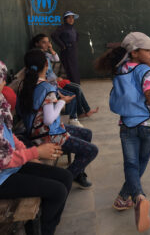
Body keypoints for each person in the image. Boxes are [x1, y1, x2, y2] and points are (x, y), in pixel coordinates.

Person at [95, 32, 150, 232]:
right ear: (135, 52)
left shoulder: (120, 68)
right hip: (148, 125)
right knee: (140, 164)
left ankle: (130, 197)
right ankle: (137, 197)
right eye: (147, 50)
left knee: (131, 165)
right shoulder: (146, 72)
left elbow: (143, 66)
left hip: (127, 124)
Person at [0, 60, 72, 235]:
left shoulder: (1, 102)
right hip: (3, 176)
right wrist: (35, 152)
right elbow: (3, 160)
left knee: (66, 177)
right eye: (2, 80)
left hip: (12, 166)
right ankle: (43, 230)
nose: (3, 85)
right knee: (57, 191)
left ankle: (42, 227)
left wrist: (27, 152)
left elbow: (9, 134)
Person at [18, 49, 98, 189]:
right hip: (47, 135)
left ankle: (78, 173)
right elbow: (49, 119)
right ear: (46, 65)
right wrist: (62, 102)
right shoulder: (47, 88)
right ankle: (64, 179)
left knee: (87, 133)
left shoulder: (25, 85)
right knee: (92, 150)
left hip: (35, 131)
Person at [31, 34, 99, 125]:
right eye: (44, 42)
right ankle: (73, 118)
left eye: (48, 42)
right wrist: (55, 82)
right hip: (51, 84)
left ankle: (80, 114)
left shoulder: (46, 54)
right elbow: (42, 77)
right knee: (74, 92)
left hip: (54, 83)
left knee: (76, 89)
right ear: (36, 44)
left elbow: (56, 59)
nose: (47, 44)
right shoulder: (36, 58)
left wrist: (51, 48)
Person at [51, 11, 81, 84]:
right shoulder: (62, 27)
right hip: (66, 51)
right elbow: (54, 35)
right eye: (69, 17)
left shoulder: (73, 28)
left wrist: (74, 44)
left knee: (74, 67)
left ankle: (76, 84)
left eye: (72, 18)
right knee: (69, 68)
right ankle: (71, 84)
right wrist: (63, 45)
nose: (71, 19)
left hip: (73, 51)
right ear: (65, 19)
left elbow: (77, 37)